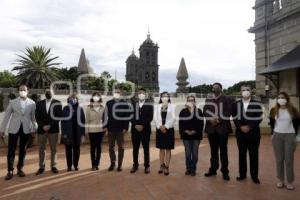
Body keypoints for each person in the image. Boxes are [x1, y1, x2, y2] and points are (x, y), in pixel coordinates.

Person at [0, 85, 37, 180]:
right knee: (11, 150)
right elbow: (6, 117)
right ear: (18, 91)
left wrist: (34, 129)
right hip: (14, 128)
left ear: (27, 91)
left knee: (23, 150)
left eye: (24, 90)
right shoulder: (12, 102)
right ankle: (10, 170)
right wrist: (2, 130)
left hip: (26, 129)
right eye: (20, 90)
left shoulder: (32, 103)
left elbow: (33, 118)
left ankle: (20, 169)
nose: (22, 91)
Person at [232, 85, 263, 184]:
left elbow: (259, 118)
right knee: (242, 155)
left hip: (253, 134)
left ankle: (254, 176)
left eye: (247, 90)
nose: (245, 91)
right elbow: (234, 117)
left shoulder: (257, 104)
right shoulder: (235, 104)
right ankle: (242, 174)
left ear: (251, 91)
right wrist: (240, 127)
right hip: (240, 134)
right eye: (243, 90)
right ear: (240, 92)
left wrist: (249, 127)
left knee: (254, 155)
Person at [269, 92, 300, 190]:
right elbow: (272, 123)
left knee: (289, 160)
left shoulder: (293, 110)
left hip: (290, 136)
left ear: (287, 98)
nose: (280, 99)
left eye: (283, 97)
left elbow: (297, 124)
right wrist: (272, 134)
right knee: (279, 160)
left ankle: (289, 181)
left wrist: (296, 136)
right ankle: (280, 180)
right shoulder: (274, 110)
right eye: (279, 97)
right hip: (277, 135)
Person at [203, 82, 233, 181]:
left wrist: (218, 119)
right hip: (211, 129)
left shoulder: (227, 99)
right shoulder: (208, 99)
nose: (215, 88)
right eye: (213, 87)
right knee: (213, 151)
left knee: (223, 151)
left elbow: (228, 111)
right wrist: (210, 119)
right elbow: (205, 111)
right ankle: (213, 169)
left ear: (221, 88)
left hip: (222, 129)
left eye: (217, 87)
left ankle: (225, 172)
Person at [35, 88, 62, 175]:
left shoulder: (57, 103)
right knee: (41, 149)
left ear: (53, 92)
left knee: (53, 149)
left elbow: (58, 116)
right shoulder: (39, 103)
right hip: (41, 130)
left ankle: (53, 166)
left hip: (53, 129)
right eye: (46, 92)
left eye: (50, 92)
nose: (48, 93)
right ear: (44, 93)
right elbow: (37, 117)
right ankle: (41, 167)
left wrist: (50, 125)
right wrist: (43, 126)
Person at [103, 89, 131, 172]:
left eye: (118, 93)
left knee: (121, 147)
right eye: (115, 93)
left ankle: (120, 164)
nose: (116, 94)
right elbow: (105, 115)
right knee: (111, 147)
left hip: (121, 129)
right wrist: (105, 126)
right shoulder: (109, 103)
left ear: (121, 94)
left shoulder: (125, 104)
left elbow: (127, 116)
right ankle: (113, 163)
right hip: (111, 128)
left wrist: (126, 127)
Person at [179, 95, 204, 176]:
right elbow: (181, 123)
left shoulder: (199, 111)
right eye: (189, 100)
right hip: (186, 135)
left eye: (192, 100)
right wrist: (185, 131)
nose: (191, 101)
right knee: (187, 153)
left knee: (195, 153)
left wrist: (194, 131)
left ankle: (193, 168)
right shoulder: (183, 111)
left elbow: (201, 123)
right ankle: (188, 168)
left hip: (196, 135)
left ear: (195, 101)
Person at [130, 88, 153, 174]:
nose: (141, 94)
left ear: (145, 95)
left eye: (142, 93)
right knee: (135, 149)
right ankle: (135, 165)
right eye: (139, 93)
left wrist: (142, 125)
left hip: (145, 130)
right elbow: (130, 116)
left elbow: (150, 117)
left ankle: (147, 166)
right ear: (137, 95)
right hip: (135, 131)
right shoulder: (133, 104)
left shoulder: (149, 105)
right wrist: (136, 125)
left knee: (146, 149)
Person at [61, 93, 85, 171]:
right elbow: (63, 122)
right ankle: (69, 166)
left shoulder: (80, 109)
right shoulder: (65, 108)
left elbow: (83, 121)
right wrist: (63, 133)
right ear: (68, 100)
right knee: (68, 150)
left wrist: (83, 134)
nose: (73, 99)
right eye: (71, 98)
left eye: (74, 98)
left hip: (77, 133)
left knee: (77, 150)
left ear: (77, 100)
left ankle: (76, 165)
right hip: (68, 133)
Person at [154, 91, 176, 176]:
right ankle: (161, 165)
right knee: (161, 149)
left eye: (167, 96)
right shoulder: (157, 106)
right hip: (160, 130)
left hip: (169, 130)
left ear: (169, 97)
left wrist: (166, 126)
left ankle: (167, 166)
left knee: (168, 149)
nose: (165, 98)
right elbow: (155, 118)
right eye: (163, 96)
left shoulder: (172, 106)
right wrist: (160, 126)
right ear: (160, 97)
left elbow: (174, 118)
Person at [85, 92, 106, 171]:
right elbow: (86, 120)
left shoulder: (102, 108)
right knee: (93, 147)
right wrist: (86, 130)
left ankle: (97, 164)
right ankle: (93, 164)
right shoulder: (88, 108)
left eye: (97, 96)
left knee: (99, 147)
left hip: (100, 130)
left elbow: (105, 119)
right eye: (94, 96)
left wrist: (105, 128)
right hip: (92, 130)